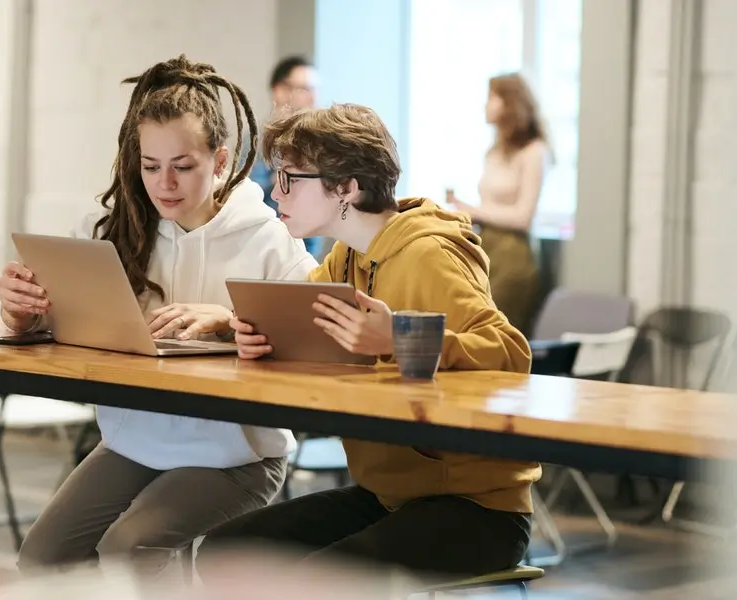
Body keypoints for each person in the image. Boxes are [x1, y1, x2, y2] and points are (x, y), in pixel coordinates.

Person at [0, 55, 318, 578]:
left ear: (220, 161)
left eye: (183, 166)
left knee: (130, 548)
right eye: (150, 166)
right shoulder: (111, 230)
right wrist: (21, 316)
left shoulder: (267, 234)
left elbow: (317, 329)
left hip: (237, 453)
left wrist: (229, 317)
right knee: (42, 558)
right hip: (134, 442)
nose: (164, 183)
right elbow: (57, 325)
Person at [196, 103, 540, 583]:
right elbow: (302, 329)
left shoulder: (429, 253)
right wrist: (239, 326)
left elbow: (511, 355)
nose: (275, 193)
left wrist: (399, 335)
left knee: (315, 582)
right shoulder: (345, 260)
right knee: (224, 551)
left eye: (290, 179)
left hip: (479, 509)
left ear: (346, 187)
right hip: (390, 496)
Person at [446, 73, 550, 333]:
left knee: (492, 334)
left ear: (511, 103)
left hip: (513, 255)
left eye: (492, 98)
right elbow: (488, 207)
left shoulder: (534, 152)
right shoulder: (492, 152)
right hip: (485, 247)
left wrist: (475, 210)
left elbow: (523, 217)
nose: (486, 105)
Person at [249, 55, 324, 257]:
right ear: (280, 91)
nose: (313, 99)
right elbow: (245, 197)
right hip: (261, 251)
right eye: (305, 89)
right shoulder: (255, 144)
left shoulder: (319, 144)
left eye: (314, 90)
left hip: (308, 256)